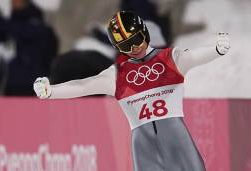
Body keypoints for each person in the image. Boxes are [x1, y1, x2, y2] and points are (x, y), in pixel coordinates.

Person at [33, 11, 230, 171]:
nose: (134, 48)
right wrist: (51, 91)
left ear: (145, 33)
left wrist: (217, 50)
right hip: (144, 146)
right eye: (126, 45)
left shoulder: (170, 59)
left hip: (176, 139)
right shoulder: (117, 74)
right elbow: (83, 86)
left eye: (136, 39)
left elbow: (194, 57)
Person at [0, 0, 58, 96]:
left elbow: (26, 31)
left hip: (34, 85)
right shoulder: (12, 22)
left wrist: (0, 22)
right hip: (12, 83)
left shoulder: (36, 20)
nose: (13, 3)